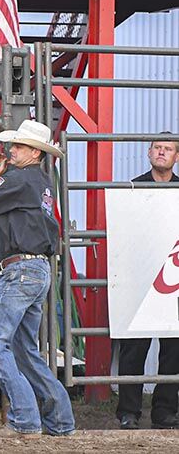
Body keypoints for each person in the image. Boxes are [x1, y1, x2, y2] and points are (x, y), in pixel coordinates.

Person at [0, 120, 75, 437]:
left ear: (35, 152)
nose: (12, 150)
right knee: (25, 350)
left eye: (19, 146)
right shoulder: (42, 183)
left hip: (20, 271)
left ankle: (25, 419)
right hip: (38, 271)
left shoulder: (20, 180)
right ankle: (60, 421)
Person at [116, 138, 179, 430]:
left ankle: (164, 412)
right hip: (139, 276)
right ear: (148, 153)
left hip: (172, 276)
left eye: (168, 148)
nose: (162, 151)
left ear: (176, 157)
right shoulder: (131, 188)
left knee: (174, 348)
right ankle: (128, 412)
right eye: (157, 147)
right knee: (134, 348)